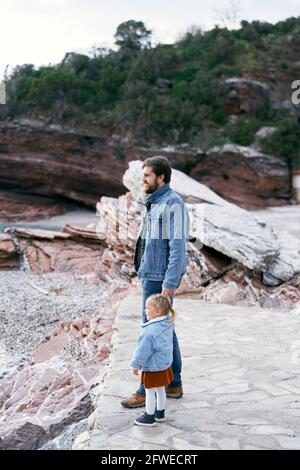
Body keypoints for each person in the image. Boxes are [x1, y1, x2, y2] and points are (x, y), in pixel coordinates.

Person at [121, 156, 190, 409]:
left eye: (147, 176)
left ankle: (144, 390)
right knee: (165, 331)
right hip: (151, 275)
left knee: (151, 333)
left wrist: (169, 283)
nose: (143, 180)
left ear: (161, 177)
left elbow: (178, 248)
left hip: (160, 280)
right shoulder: (156, 202)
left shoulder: (173, 204)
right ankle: (174, 384)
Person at [131, 294, 176, 426]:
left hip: (153, 366)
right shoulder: (167, 323)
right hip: (165, 364)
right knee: (161, 388)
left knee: (149, 391)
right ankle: (160, 413)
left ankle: (149, 416)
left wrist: (136, 365)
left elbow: (142, 351)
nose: (145, 310)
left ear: (157, 312)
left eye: (147, 308)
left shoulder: (149, 330)